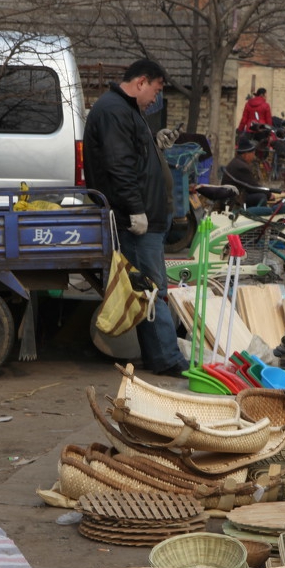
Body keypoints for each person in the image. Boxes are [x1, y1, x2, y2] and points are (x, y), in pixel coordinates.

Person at [82, 59, 188, 378]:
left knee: (149, 289)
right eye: (156, 90)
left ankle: (160, 356)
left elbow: (135, 158)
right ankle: (167, 358)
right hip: (138, 220)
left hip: (149, 217)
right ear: (141, 82)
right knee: (152, 290)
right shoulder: (115, 110)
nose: (156, 99)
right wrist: (134, 209)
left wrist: (156, 145)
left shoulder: (128, 110)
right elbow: (118, 165)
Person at [222, 137, 273, 207]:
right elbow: (252, 187)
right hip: (233, 200)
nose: (253, 156)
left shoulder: (236, 162)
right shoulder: (241, 167)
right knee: (261, 197)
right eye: (252, 153)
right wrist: (269, 194)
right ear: (246, 154)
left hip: (234, 196)